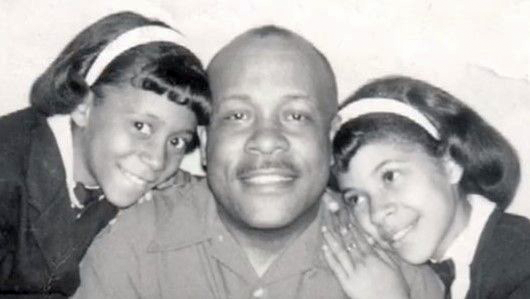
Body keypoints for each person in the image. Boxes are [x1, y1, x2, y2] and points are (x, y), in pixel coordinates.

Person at [73, 27, 443, 299]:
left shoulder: (395, 270)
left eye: (296, 116)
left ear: (330, 141)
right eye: (237, 116)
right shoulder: (132, 246)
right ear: (204, 143)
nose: (267, 140)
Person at [0, 11, 210, 297]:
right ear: (83, 106)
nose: (157, 159)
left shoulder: (115, 170)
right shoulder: (8, 169)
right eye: (141, 126)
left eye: (176, 142)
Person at [324, 76, 530, 298]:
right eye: (356, 198)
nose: (377, 213)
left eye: (390, 176)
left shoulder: (521, 260)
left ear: (451, 163)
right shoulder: (412, 268)